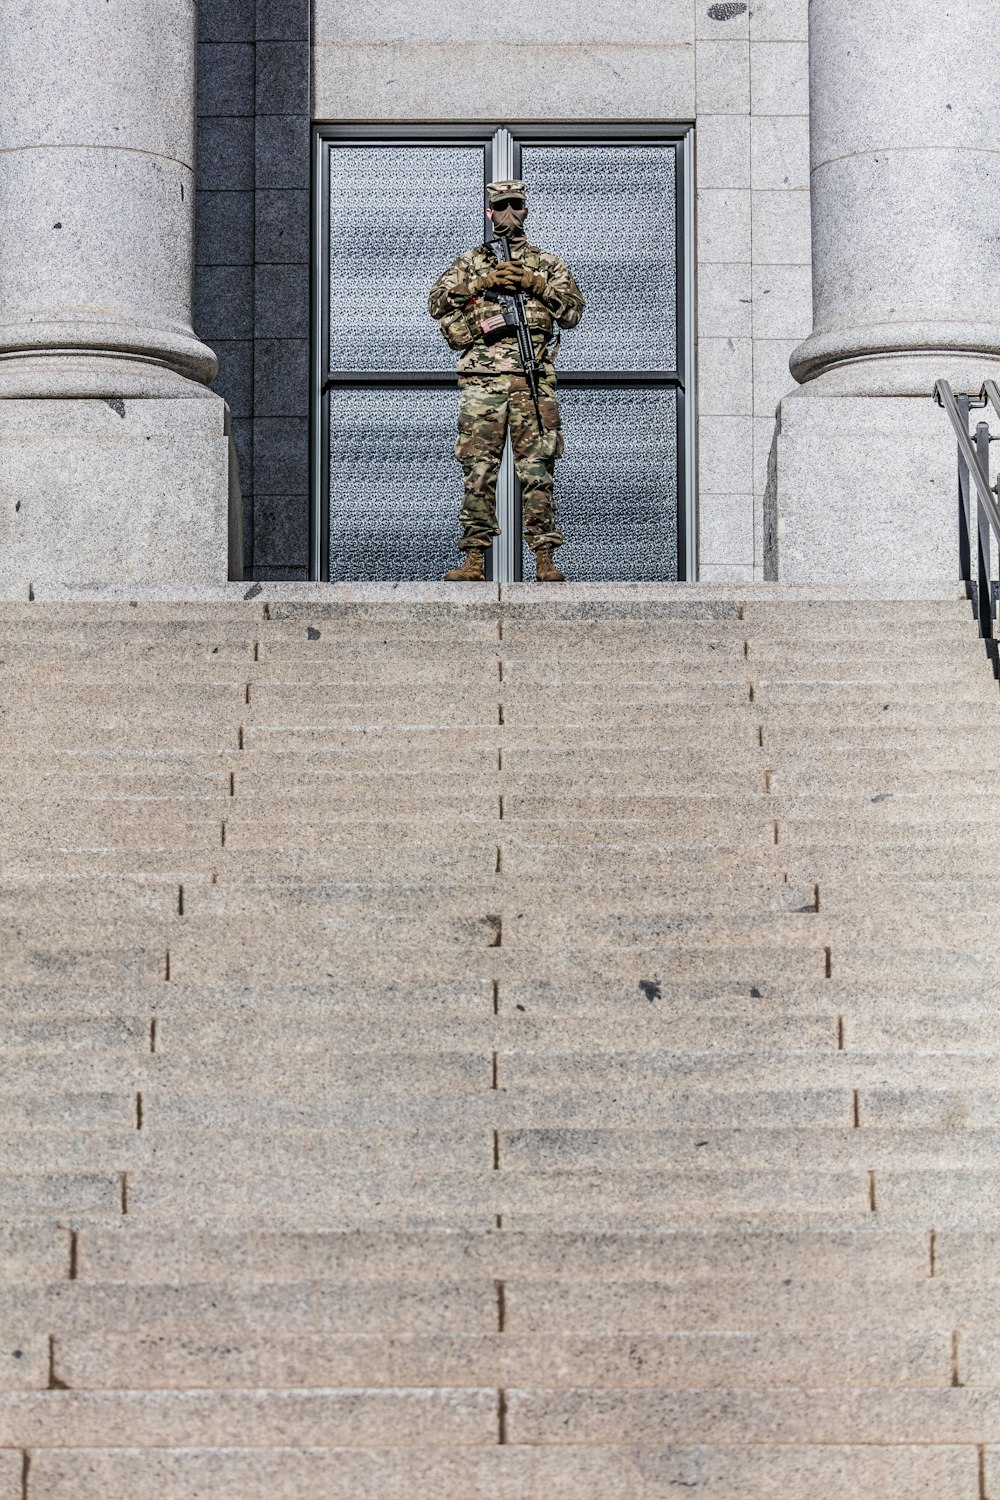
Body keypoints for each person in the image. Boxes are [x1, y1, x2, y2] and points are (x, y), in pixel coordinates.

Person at [428, 178, 585, 582]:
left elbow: (572, 313)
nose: (508, 214)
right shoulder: (472, 261)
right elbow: (436, 303)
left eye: (516, 205)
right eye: (501, 206)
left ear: (526, 209)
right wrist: (482, 284)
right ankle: (474, 560)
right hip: (483, 382)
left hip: (532, 379)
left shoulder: (547, 264)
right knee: (478, 469)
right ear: (489, 212)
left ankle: (545, 558)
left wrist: (536, 286)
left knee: (537, 471)